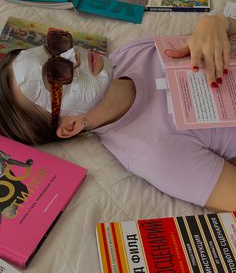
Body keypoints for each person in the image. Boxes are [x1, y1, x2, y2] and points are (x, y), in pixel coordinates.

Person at [0, 15, 235, 212]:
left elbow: (220, 38)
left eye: (56, 49)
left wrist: (215, 24)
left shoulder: (129, 53)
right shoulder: (155, 154)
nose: (74, 56)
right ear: (71, 126)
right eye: (56, 75)